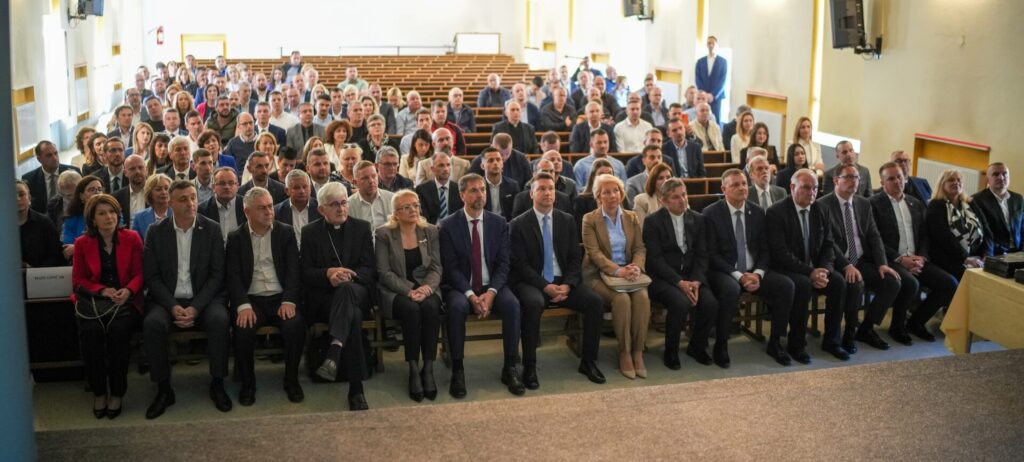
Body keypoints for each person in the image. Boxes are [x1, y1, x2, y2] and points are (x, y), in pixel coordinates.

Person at [142, 180, 229, 419]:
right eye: (183, 199)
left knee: (220, 320)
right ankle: (163, 389)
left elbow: (217, 275)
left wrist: (196, 307)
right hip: (168, 300)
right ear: (170, 203)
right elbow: (152, 277)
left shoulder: (211, 229)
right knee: (152, 324)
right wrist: (172, 307)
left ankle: (218, 383)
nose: (190, 203)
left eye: (193, 198)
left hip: (204, 299)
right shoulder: (156, 232)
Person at [510, 172, 606, 388]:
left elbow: (574, 257)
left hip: (563, 281)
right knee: (533, 304)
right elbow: (520, 265)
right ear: (531, 194)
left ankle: (588, 362)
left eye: (551, 188)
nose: (547, 193)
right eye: (541, 189)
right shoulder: (518, 224)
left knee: (595, 302)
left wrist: (568, 284)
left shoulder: (567, 220)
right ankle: (530, 366)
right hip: (534, 282)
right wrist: (545, 286)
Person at [439, 174, 523, 397]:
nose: (480, 195)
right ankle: (458, 370)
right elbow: (451, 268)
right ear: (462, 195)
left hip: (492, 285)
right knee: (456, 308)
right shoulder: (447, 225)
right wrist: (470, 295)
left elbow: (504, 264)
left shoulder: (499, 223)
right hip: (461, 287)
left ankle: (510, 367)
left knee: (513, 305)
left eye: (483, 190)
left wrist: (491, 292)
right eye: (474, 190)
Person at [704, 169, 796, 367]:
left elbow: (765, 249)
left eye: (744, 183)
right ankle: (721, 344)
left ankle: (775, 342)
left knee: (786, 285)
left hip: (754, 271)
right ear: (723, 189)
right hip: (726, 271)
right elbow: (712, 255)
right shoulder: (711, 213)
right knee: (730, 289)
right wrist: (740, 276)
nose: (742, 188)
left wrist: (758, 274)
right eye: (735, 185)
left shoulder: (757, 212)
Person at [225, 187, 306, 406]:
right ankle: (248, 384)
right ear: (247, 211)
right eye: (262, 208)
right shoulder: (235, 237)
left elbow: (294, 271)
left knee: (295, 325)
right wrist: (242, 305)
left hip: (280, 297)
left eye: (270, 206)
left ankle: (291, 380)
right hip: (252, 300)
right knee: (243, 328)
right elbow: (232, 276)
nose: (269, 212)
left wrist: (289, 300)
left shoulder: (285, 232)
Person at [300, 182, 373, 411]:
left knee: (346, 289)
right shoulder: (310, 232)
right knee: (353, 317)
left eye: (343, 203)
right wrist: (328, 274)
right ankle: (356, 389)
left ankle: (334, 351)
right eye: (334, 205)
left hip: (357, 290)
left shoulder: (361, 228)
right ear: (321, 209)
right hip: (325, 298)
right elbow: (305, 273)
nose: (341, 208)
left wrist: (349, 276)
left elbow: (369, 269)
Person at [71, 194, 144, 419]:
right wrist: (102, 290)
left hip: (126, 301)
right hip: (94, 302)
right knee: (91, 334)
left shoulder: (132, 238)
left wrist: (128, 290)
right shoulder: (82, 243)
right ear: (93, 219)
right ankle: (99, 392)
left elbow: (140, 273)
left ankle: (118, 392)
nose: (109, 217)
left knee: (118, 333)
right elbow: (78, 281)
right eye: (102, 213)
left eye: (112, 212)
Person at [765, 169, 849, 361]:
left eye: (815, 188)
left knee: (838, 282)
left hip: (816, 267)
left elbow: (828, 245)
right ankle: (796, 344)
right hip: (787, 268)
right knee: (802, 285)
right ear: (792, 187)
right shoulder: (776, 212)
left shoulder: (821, 209)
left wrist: (825, 270)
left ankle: (832, 340)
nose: (811, 192)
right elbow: (780, 253)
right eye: (805, 187)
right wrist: (811, 272)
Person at [817, 163, 902, 353]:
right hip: (836, 262)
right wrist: (846, 265)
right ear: (836, 180)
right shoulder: (823, 205)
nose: (853, 181)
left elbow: (874, 235)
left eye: (856, 177)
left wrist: (882, 264)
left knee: (892, 282)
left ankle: (866, 329)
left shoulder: (863, 204)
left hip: (861, 260)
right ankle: (845, 334)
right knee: (855, 285)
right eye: (848, 177)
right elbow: (828, 242)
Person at [870, 162, 958, 344]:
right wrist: (901, 259)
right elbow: (875, 239)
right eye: (891, 178)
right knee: (911, 283)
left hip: (917, 259)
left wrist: (922, 257)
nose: (897, 181)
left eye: (899, 177)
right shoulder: (874, 204)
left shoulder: (915, 203)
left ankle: (916, 322)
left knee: (949, 284)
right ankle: (897, 327)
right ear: (882, 182)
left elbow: (924, 234)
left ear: (905, 179)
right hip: (892, 259)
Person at [374, 190, 443, 402]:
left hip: (427, 287)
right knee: (411, 310)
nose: (413, 210)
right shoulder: (384, 234)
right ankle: (413, 368)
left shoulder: (430, 231)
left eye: (416, 205)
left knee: (431, 308)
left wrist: (427, 288)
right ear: (396, 213)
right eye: (407, 207)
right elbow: (384, 272)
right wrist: (409, 290)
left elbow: (436, 267)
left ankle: (428, 368)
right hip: (396, 290)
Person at [643, 178, 717, 369]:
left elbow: (702, 255)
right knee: (680, 303)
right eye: (675, 197)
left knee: (710, 303)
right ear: (663, 201)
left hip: (692, 277)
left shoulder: (698, 219)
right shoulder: (653, 222)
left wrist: (696, 281)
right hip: (664, 279)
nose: (682, 200)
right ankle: (671, 350)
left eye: (684, 195)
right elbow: (655, 260)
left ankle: (697, 346)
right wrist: (679, 282)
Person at [581, 174, 650, 378]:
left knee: (642, 297)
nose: (612, 195)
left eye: (615, 191)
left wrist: (636, 267)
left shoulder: (631, 217)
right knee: (621, 299)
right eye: (606, 192)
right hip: (599, 274)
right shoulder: (589, 219)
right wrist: (618, 270)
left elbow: (639, 248)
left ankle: (638, 351)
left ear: (621, 194)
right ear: (598, 196)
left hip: (629, 273)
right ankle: (624, 352)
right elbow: (594, 253)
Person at [926, 170, 987, 280]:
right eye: (951, 180)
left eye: (959, 180)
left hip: (975, 256)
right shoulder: (936, 205)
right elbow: (944, 238)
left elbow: (986, 229)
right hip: (949, 258)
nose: (956, 182)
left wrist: (986, 254)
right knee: (974, 278)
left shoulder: (970, 203)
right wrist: (965, 259)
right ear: (942, 184)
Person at [971, 162, 1023, 255]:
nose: (1001, 177)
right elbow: (982, 232)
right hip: (993, 253)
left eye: (1005, 174)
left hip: (1017, 252)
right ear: (987, 179)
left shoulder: (1018, 199)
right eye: (995, 174)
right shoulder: (977, 200)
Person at [23, 140, 81, 214]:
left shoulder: (73, 172)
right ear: (39, 159)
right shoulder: (29, 179)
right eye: (49, 155)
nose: (55, 158)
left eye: (56, 153)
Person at [17, 180, 64, 268]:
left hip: (41, 274)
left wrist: (34, 271)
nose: (17, 199)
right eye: (12, 195)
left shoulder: (44, 222)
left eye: (21, 194)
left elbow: (56, 255)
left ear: (29, 198)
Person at [415, 152, 464, 225]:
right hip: (431, 228)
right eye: (441, 165)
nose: (446, 169)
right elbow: (423, 217)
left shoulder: (459, 188)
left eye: (448, 165)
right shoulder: (422, 190)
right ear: (432, 169)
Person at [275, 169, 321, 246]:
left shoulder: (320, 209)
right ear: (287, 190)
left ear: (310, 188)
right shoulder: (277, 212)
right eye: (296, 188)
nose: (302, 191)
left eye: (305, 187)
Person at [199, 168, 247, 242]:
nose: (227, 187)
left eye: (231, 183)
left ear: (237, 186)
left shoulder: (247, 206)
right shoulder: (202, 210)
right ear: (213, 187)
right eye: (222, 183)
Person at [62, 176, 106, 248]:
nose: (97, 192)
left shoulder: (112, 213)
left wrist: (78, 247)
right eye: (92, 190)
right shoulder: (72, 218)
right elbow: (67, 246)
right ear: (81, 196)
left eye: (100, 189)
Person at [695, 35, 728, 121]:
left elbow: (723, 81)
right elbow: (698, 79)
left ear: (717, 45)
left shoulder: (723, 62)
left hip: (716, 98)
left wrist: (713, 95)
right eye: (709, 43)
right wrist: (704, 95)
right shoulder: (700, 61)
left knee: (715, 119)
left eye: (713, 43)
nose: (710, 45)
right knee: (701, 118)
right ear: (706, 45)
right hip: (702, 98)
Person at [130, 174, 172, 240]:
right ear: (149, 193)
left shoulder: (179, 213)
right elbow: (135, 243)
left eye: (166, 188)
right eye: (158, 189)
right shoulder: (139, 218)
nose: (164, 192)